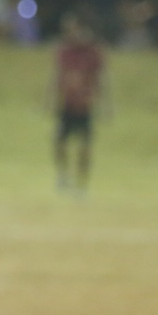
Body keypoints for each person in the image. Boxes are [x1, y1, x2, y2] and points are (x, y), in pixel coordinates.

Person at [52, 10, 105, 192]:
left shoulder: (92, 52)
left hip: (84, 105)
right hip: (68, 103)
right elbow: (58, 77)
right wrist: (53, 99)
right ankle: (63, 176)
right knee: (60, 141)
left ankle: (81, 183)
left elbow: (99, 78)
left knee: (85, 145)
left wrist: (102, 102)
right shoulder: (65, 51)